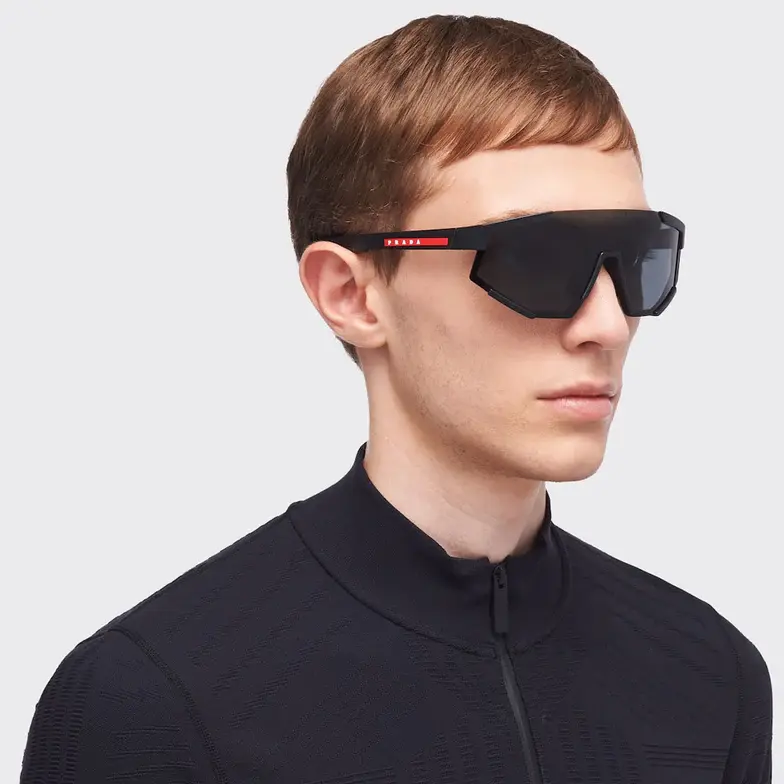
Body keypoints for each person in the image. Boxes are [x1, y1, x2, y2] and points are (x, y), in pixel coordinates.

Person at [20, 14, 772, 784]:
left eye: (636, 259)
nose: (608, 325)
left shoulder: (712, 680)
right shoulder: (152, 703)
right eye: (539, 259)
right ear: (350, 294)